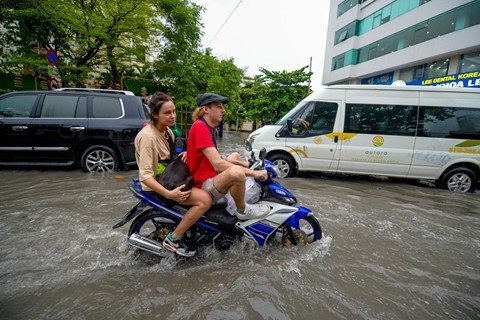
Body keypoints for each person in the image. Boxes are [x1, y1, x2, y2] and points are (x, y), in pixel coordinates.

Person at [135, 92, 212, 257]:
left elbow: (170, 157)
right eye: (167, 113)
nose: (173, 116)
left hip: (169, 179)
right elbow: (146, 176)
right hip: (159, 187)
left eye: (173, 111)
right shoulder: (148, 138)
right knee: (205, 200)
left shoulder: (167, 131)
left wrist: (183, 153)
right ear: (155, 115)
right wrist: (170, 194)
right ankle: (173, 238)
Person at [186, 92, 270, 220]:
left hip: (210, 175)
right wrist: (253, 173)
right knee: (237, 173)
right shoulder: (200, 127)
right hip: (202, 184)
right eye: (219, 106)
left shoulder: (207, 127)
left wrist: (244, 164)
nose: (223, 110)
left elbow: (218, 158)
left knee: (235, 155)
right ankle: (242, 210)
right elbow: (218, 164)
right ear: (206, 109)